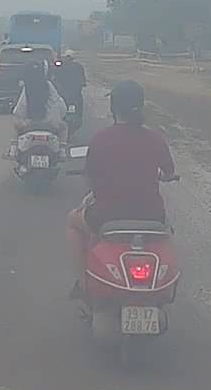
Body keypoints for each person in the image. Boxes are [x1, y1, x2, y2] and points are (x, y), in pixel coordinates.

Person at [67, 80, 176, 297]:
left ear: (113, 107)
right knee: (168, 236)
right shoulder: (155, 139)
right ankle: (168, 285)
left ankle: (83, 282)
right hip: (152, 216)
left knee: (73, 221)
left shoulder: (101, 139)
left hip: (107, 216)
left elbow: (91, 178)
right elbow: (169, 172)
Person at [6, 59, 68, 158]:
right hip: (50, 124)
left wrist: (20, 118)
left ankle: (13, 150)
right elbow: (59, 104)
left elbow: (20, 108)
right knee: (64, 126)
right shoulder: (49, 86)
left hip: (30, 124)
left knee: (15, 125)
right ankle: (62, 152)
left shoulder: (27, 87)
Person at [53, 49, 87, 137]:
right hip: (72, 96)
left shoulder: (62, 66)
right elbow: (83, 81)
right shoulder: (78, 66)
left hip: (66, 96)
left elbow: (54, 78)